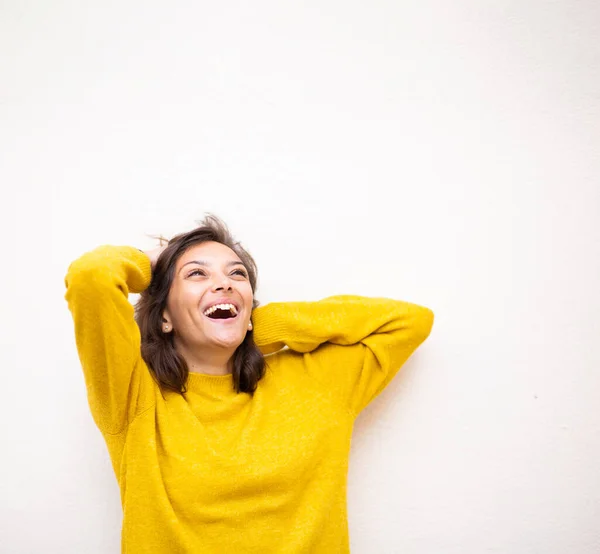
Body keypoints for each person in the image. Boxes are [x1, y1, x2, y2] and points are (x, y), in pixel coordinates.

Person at [64, 214, 434, 554]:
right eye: (196, 274)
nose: (223, 283)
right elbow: (91, 277)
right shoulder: (133, 396)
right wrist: (158, 257)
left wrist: (263, 323)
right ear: (164, 317)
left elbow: (409, 321)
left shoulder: (317, 382)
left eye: (237, 274)